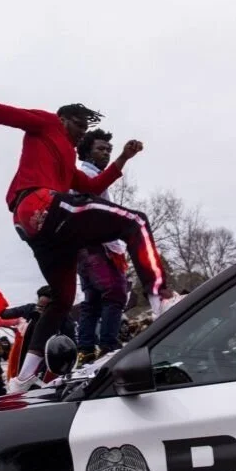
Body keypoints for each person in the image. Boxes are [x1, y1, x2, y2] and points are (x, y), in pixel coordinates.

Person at [0, 94, 179, 393]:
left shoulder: (67, 160)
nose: (81, 134)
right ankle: (160, 298)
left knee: (62, 299)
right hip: (40, 204)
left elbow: (92, 186)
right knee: (134, 222)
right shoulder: (48, 123)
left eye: (85, 129)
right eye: (78, 126)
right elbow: (10, 114)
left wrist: (123, 159)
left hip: (37, 229)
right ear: (63, 120)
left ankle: (22, 379)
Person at [73, 129, 130, 367]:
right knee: (116, 292)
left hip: (86, 247)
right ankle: (108, 345)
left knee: (93, 300)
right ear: (87, 151)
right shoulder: (85, 175)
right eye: (101, 149)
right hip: (94, 245)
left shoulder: (91, 174)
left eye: (109, 150)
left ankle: (85, 349)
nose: (106, 153)